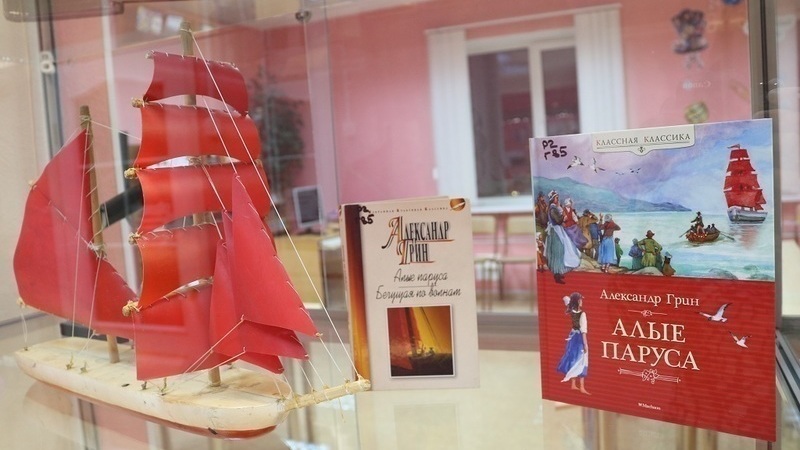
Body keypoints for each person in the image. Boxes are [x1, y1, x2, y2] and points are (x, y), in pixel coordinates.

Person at [544, 191, 581, 284]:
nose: (558, 199)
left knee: (560, 251)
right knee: (557, 252)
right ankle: (556, 274)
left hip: (557, 230)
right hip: (555, 232)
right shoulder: (552, 208)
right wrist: (563, 218)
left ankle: (558, 272)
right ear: (553, 199)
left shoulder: (554, 207)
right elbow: (557, 220)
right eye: (556, 198)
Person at [557, 292, 590, 395]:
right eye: (580, 300)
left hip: (572, 337)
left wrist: (570, 300)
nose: (582, 301)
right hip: (579, 339)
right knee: (581, 361)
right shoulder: (582, 314)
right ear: (578, 301)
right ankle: (582, 387)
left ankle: (573, 384)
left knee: (573, 359)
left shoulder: (572, 311)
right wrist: (585, 344)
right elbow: (583, 331)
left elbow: (565, 299)